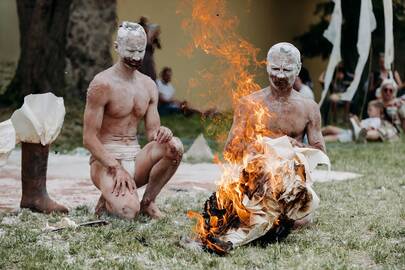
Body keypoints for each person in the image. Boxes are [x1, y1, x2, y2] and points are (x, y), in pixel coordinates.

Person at [83, 22, 183, 220]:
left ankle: (148, 202)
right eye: (130, 50)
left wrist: (163, 133)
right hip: (106, 161)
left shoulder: (148, 85)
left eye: (140, 50)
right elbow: (89, 138)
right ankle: (110, 195)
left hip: (135, 159)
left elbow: (153, 133)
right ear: (117, 47)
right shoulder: (102, 84)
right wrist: (115, 167)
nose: (136, 57)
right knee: (128, 212)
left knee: (175, 147)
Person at [224, 42, 325, 229]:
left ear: (298, 69)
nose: (279, 75)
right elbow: (230, 149)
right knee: (238, 217)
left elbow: (320, 153)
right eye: (275, 68)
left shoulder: (309, 107)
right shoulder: (249, 103)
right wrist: (257, 148)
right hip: (255, 181)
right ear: (266, 65)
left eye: (286, 69)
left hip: (290, 183)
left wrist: (294, 146)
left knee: (299, 221)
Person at [321, 100, 398, 143]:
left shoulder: (376, 120)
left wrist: (356, 122)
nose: (368, 112)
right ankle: (312, 134)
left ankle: (317, 140)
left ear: (379, 111)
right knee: (329, 128)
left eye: (370, 110)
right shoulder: (368, 119)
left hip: (355, 135)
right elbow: (359, 125)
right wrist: (356, 121)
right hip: (350, 131)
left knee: (333, 137)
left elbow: (368, 130)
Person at [138, 17, 161, 81]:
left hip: (148, 60)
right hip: (144, 59)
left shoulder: (153, 39)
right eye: (156, 32)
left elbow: (159, 46)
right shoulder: (145, 37)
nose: (157, 34)